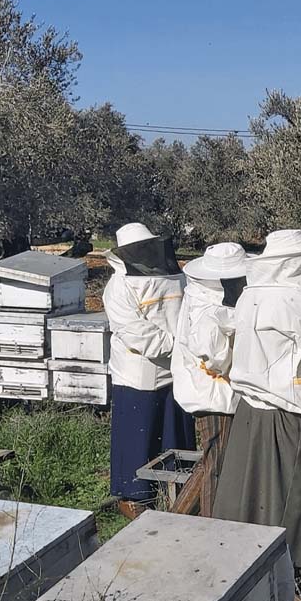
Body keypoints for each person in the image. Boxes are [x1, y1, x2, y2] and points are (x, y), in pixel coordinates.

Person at [213, 229, 301, 569]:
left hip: (249, 408)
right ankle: (290, 568)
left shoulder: (249, 295)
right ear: (293, 263)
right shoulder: (296, 301)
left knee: (249, 488)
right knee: (289, 492)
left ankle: (240, 557)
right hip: (285, 410)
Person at [103, 222, 195, 519]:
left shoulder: (174, 277)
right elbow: (135, 333)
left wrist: (181, 345)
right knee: (137, 436)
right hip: (138, 372)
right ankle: (134, 496)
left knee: (171, 433)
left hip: (174, 368)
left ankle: (175, 488)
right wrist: (178, 345)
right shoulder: (118, 287)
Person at [171, 242, 248, 517]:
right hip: (213, 394)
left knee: (211, 460)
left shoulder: (200, 295)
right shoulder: (208, 307)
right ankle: (208, 527)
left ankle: (173, 520)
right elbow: (216, 360)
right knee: (217, 465)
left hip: (208, 390)